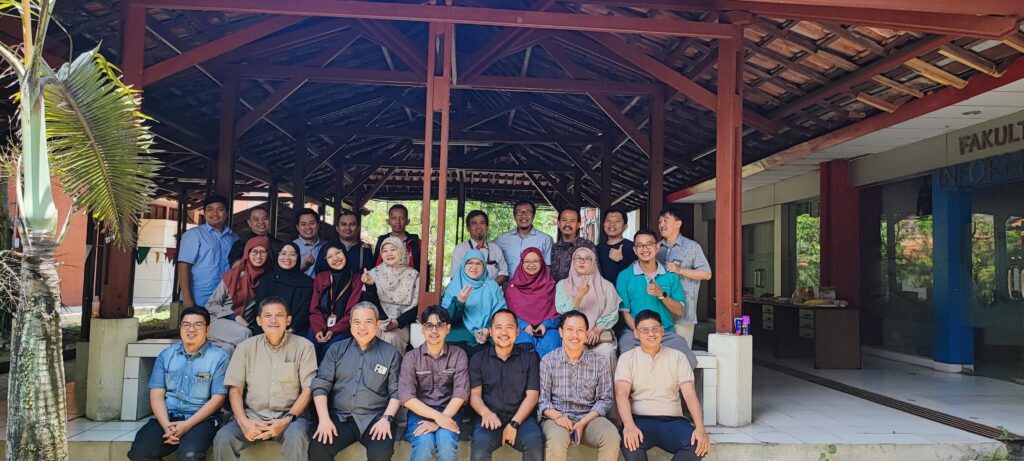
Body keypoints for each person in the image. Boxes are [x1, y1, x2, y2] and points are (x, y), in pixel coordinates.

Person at [213, 297, 317, 461]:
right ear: (259, 321)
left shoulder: (304, 347)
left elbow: (308, 390)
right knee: (224, 437)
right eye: (268, 316)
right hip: (252, 417)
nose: (273, 320)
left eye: (279, 315)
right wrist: (243, 421)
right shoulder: (245, 347)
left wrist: (287, 419)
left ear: (288, 320)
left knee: (296, 437)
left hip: (290, 418)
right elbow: (235, 390)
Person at [128, 307, 229, 461]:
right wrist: (166, 425)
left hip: (201, 419)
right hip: (167, 417)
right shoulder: (166, 355)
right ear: (180, 328)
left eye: (198, 325)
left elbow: (218, 399)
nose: (191, 329)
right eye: (186, 325)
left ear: (207, 329)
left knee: (189, 455)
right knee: (139, 452)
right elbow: (156, 396)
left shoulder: (219, 358)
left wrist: (186, 425)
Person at [308, 302, 402, 461]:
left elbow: (397, 391)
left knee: (380, 454)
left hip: (376, 418)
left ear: (377, 324)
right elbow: (321, 385)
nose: (362, 327)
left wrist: (387, 419)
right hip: (341, 418)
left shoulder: (390, 353)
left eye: (368, 322)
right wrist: (324, 419)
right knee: (318, 449)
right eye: (357, 322)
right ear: (350, 324)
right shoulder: (336, 349)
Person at [616, 310, 711, 461]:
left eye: (655, 329)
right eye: (644, 330)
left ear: (662, 330)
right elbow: (621, 394)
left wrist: (700, 428)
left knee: (697, 445)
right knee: (630, 445)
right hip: (640, 421)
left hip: (673, 422)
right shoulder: (627, 359)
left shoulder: (678, 357)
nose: (651, 334)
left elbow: (689, 394)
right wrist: (628, 426)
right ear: (636, 333)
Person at [539, 311, 620, 461]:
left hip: (589, 418)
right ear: (561, 332)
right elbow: (543, 401)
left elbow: (605, 399)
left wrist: (582, 423)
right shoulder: (548, 361)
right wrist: (559, 417)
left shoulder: (599, 362)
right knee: (556, 441)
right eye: (569, 329)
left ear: (587, 333)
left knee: (611, 436)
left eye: (580, 330)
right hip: (556, 418)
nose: (575, 335)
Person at [469, 309, 544, 461]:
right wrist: (485, 413)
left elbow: (532, 396)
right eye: (498, 327)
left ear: (517, 331)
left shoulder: (530, 358)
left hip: (522, 419)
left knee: (535, 446)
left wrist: (514, 424)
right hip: (490, 418)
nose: (504, 332)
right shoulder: (478, 359)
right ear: (491, 331)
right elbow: (475, 395)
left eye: (509, 327)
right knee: (479, 449)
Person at [617, 230, 696, 369]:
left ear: (657, 247)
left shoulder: (670, 276)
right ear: (635, 250)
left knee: (688, 361)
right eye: (640, 245)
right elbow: (624, 312)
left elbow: (679, 310)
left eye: (649, 244)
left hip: (664, 333)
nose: (645, 249)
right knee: (627, 360)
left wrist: (662, 295)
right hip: (634, 333)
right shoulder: (624, 276)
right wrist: (640, 332)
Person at [399, 306, 469, 461]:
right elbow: (406, 396)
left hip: (450, 412)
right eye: (429, 326)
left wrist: (439, 422)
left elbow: (461, 393)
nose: (434, 330)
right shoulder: (412, 357)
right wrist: (438, 418)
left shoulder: (458, 355)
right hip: (419, 414)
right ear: (422, 329)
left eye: (439, 325)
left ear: (448, 329)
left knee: (446, 442)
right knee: (423, 442)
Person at [555, 247, 620, 373]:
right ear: (573, 261)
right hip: (574, 336)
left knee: (606, 352)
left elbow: (613, 312)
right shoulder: (562, 285)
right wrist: (580, 295)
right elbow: (564, 312)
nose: (582, 261)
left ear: (593, 262)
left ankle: (607, 386)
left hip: (600, 335)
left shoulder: (606, 286)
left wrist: (597, 329)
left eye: (587, 259)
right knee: (572, 353)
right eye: (578, 258)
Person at [308, 242, 377, 361]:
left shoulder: (357, 279)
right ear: (326, 261)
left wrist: (333, 331)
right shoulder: (321, 278)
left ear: (344, 253)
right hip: (320, 324)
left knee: (331, 348)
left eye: (337, 253)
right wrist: (319, 329)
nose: (335, 258)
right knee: (310, 345)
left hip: (344, 327)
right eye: (330, 257)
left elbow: (354, 312)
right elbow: (314, 309)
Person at [656, 206, 712, 348]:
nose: (661, 224)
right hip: (660, 311)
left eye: (666, 220)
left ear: (678, 223)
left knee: (682, 353)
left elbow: (706, 274)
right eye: (660, 221)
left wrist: (680, 270)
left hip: (684, 313)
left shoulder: (692, 247)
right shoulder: (656, 248)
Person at [206, 237, 269, 355]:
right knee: (246, 334)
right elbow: (211, 305)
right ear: (247, 253)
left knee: (228, 349)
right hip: (220, 321)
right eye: (254, 251)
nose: (258, 256)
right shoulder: (233, 275)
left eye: (263, 252)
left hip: (242, 327)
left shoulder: (267, 278)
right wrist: (234, 316)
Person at [177, 194, 238, 309]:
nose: (215, 213)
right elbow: (183, 266)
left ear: (226, 213)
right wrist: (187, 298)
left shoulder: (233, 238)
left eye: (220, 209)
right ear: (204, 212)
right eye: (210, 209)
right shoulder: (194, 235)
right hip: (199, 298)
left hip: (225, 299)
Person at [443, 249, 507, 356]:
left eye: (478, 264)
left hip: (487, 338)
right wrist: (459, 302)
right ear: (464, 265)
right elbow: (445, 319)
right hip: (458, 337)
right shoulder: (454, 286)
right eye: (470, 263)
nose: (474, 267)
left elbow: (502, 314)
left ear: (484, 266)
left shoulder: (492, 286)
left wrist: (489, 330)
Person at [362, 236, 419, 352]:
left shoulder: (413, 275)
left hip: (401, 323)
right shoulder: (374, 273)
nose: (389, 253)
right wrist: (370, 286)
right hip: (377, 321)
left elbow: (416, 308)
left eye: (393, 249)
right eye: (385, 250)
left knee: (391, 338)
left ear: (402, 251)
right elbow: (368, 304)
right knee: (366, 335)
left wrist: (397, 322)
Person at [505, 248, 561, 357]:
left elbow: (558, 314)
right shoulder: (512, 287)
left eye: (535, 261)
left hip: (548, 329)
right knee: (524, 351)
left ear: (542, 263)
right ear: (521, 263)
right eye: (527, 261)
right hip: (521, 328)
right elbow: (509, 314)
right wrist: (524, 325)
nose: (531, 264)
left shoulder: (551, 285)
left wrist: (546, 325)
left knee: (551, 349)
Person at [252, 242, 314, 338]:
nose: (287, 257)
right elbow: (259, 308)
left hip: (294, 331)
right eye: (283, 253)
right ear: (278, 256)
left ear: (298, 258)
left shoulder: (307, 282)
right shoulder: (267, 280)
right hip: (265, 330)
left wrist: (292, 329)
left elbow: (304, 311)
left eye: (292, 254)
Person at [494, 200, 553, 275]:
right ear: (514, 216)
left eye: (528, 212)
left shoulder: (545, 239)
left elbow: (548, 267)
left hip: (536, 283)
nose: (523, 215)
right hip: (509, 282)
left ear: (533, 215)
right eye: (519, 212)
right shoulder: (502, 239)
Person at [452, 210, 509, 285]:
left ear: (487, 227)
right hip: (469, 292)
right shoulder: (460, 249)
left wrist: (489, 288)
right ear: (468, 228)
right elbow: (456, 277)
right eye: (474, 223)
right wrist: (477, 290)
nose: (478, 226)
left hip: (492, 291)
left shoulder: (495, 249)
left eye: (482, 223)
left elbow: (504, 274)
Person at [314, 209, 375, 274]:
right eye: (343, 224)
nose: (347, 228)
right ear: (337, 228)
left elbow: (370, 274)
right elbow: (319, 273)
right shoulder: (326, 248)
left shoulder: (365, 250)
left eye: (352, 224)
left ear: (358, 228)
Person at [550, 207, 596, 281]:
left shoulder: (588, 246)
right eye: (564, 220)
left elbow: (595, 274)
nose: (567, 224)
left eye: (572, 221)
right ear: (558, 223)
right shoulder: (554, 247)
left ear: (578, 225)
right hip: (556, 288)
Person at [373, 204, 422, 270]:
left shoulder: (416, 242)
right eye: (394, 218)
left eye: (402, 218)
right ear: (388, 221)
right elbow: (376, 265)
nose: (398, 222)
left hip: (410, 276)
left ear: (407, 221)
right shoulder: (382, 241)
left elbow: (423, 267)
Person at [596, 208, 636, 284]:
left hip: (624, 291)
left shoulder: (632, 248)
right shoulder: (598, 248)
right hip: (602, 291)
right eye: (608, 220)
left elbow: (636, 276)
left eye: (617, 221)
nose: (612, 224)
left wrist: (620, 261)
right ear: (603, 224)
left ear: (625, 226)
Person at [294, 208, 326, 277]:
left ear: (318, 225)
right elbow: (286, 276)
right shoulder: (291, 247)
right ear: (297, 227)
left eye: (311, 223)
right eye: (303, 224)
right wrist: (304, 266)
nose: (308, 227)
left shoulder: (326, 247)